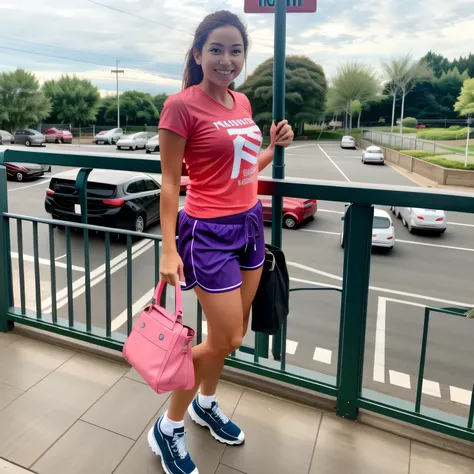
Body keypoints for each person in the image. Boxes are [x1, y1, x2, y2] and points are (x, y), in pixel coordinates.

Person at [148, 9, 294, 474]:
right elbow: (171, 183)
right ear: (198, 54)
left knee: (228, 337)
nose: (226, 59)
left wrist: (275, 147)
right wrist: (169, 248)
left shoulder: (243, 103)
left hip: (250, 224)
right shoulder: (181, 105)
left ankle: (204, 404)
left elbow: (244, 169)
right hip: (208, 233)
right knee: (228, 336)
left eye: (235, 50)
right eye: (216, 49)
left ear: (243, 57)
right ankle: (168, 426)